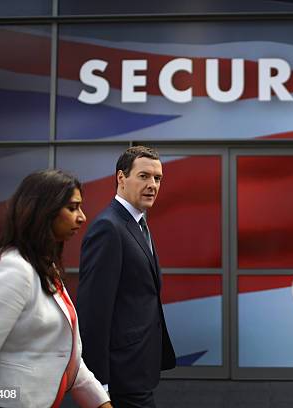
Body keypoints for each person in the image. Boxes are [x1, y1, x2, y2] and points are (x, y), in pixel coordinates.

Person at [0, 170, 111, 408]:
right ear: (44, 211)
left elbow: (70, 360)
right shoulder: (12, 269)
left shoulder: (44, 267)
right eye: (72, 207)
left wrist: (101, 403)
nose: (82, 217)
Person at [77, 146, 176, 408]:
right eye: (144, 176)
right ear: (121, 178)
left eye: (157, 179)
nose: (153, 185)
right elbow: (93, 312)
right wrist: (99, 385)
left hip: (138, 367)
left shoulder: (137, 221)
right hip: (120, 374)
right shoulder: (108, 228)